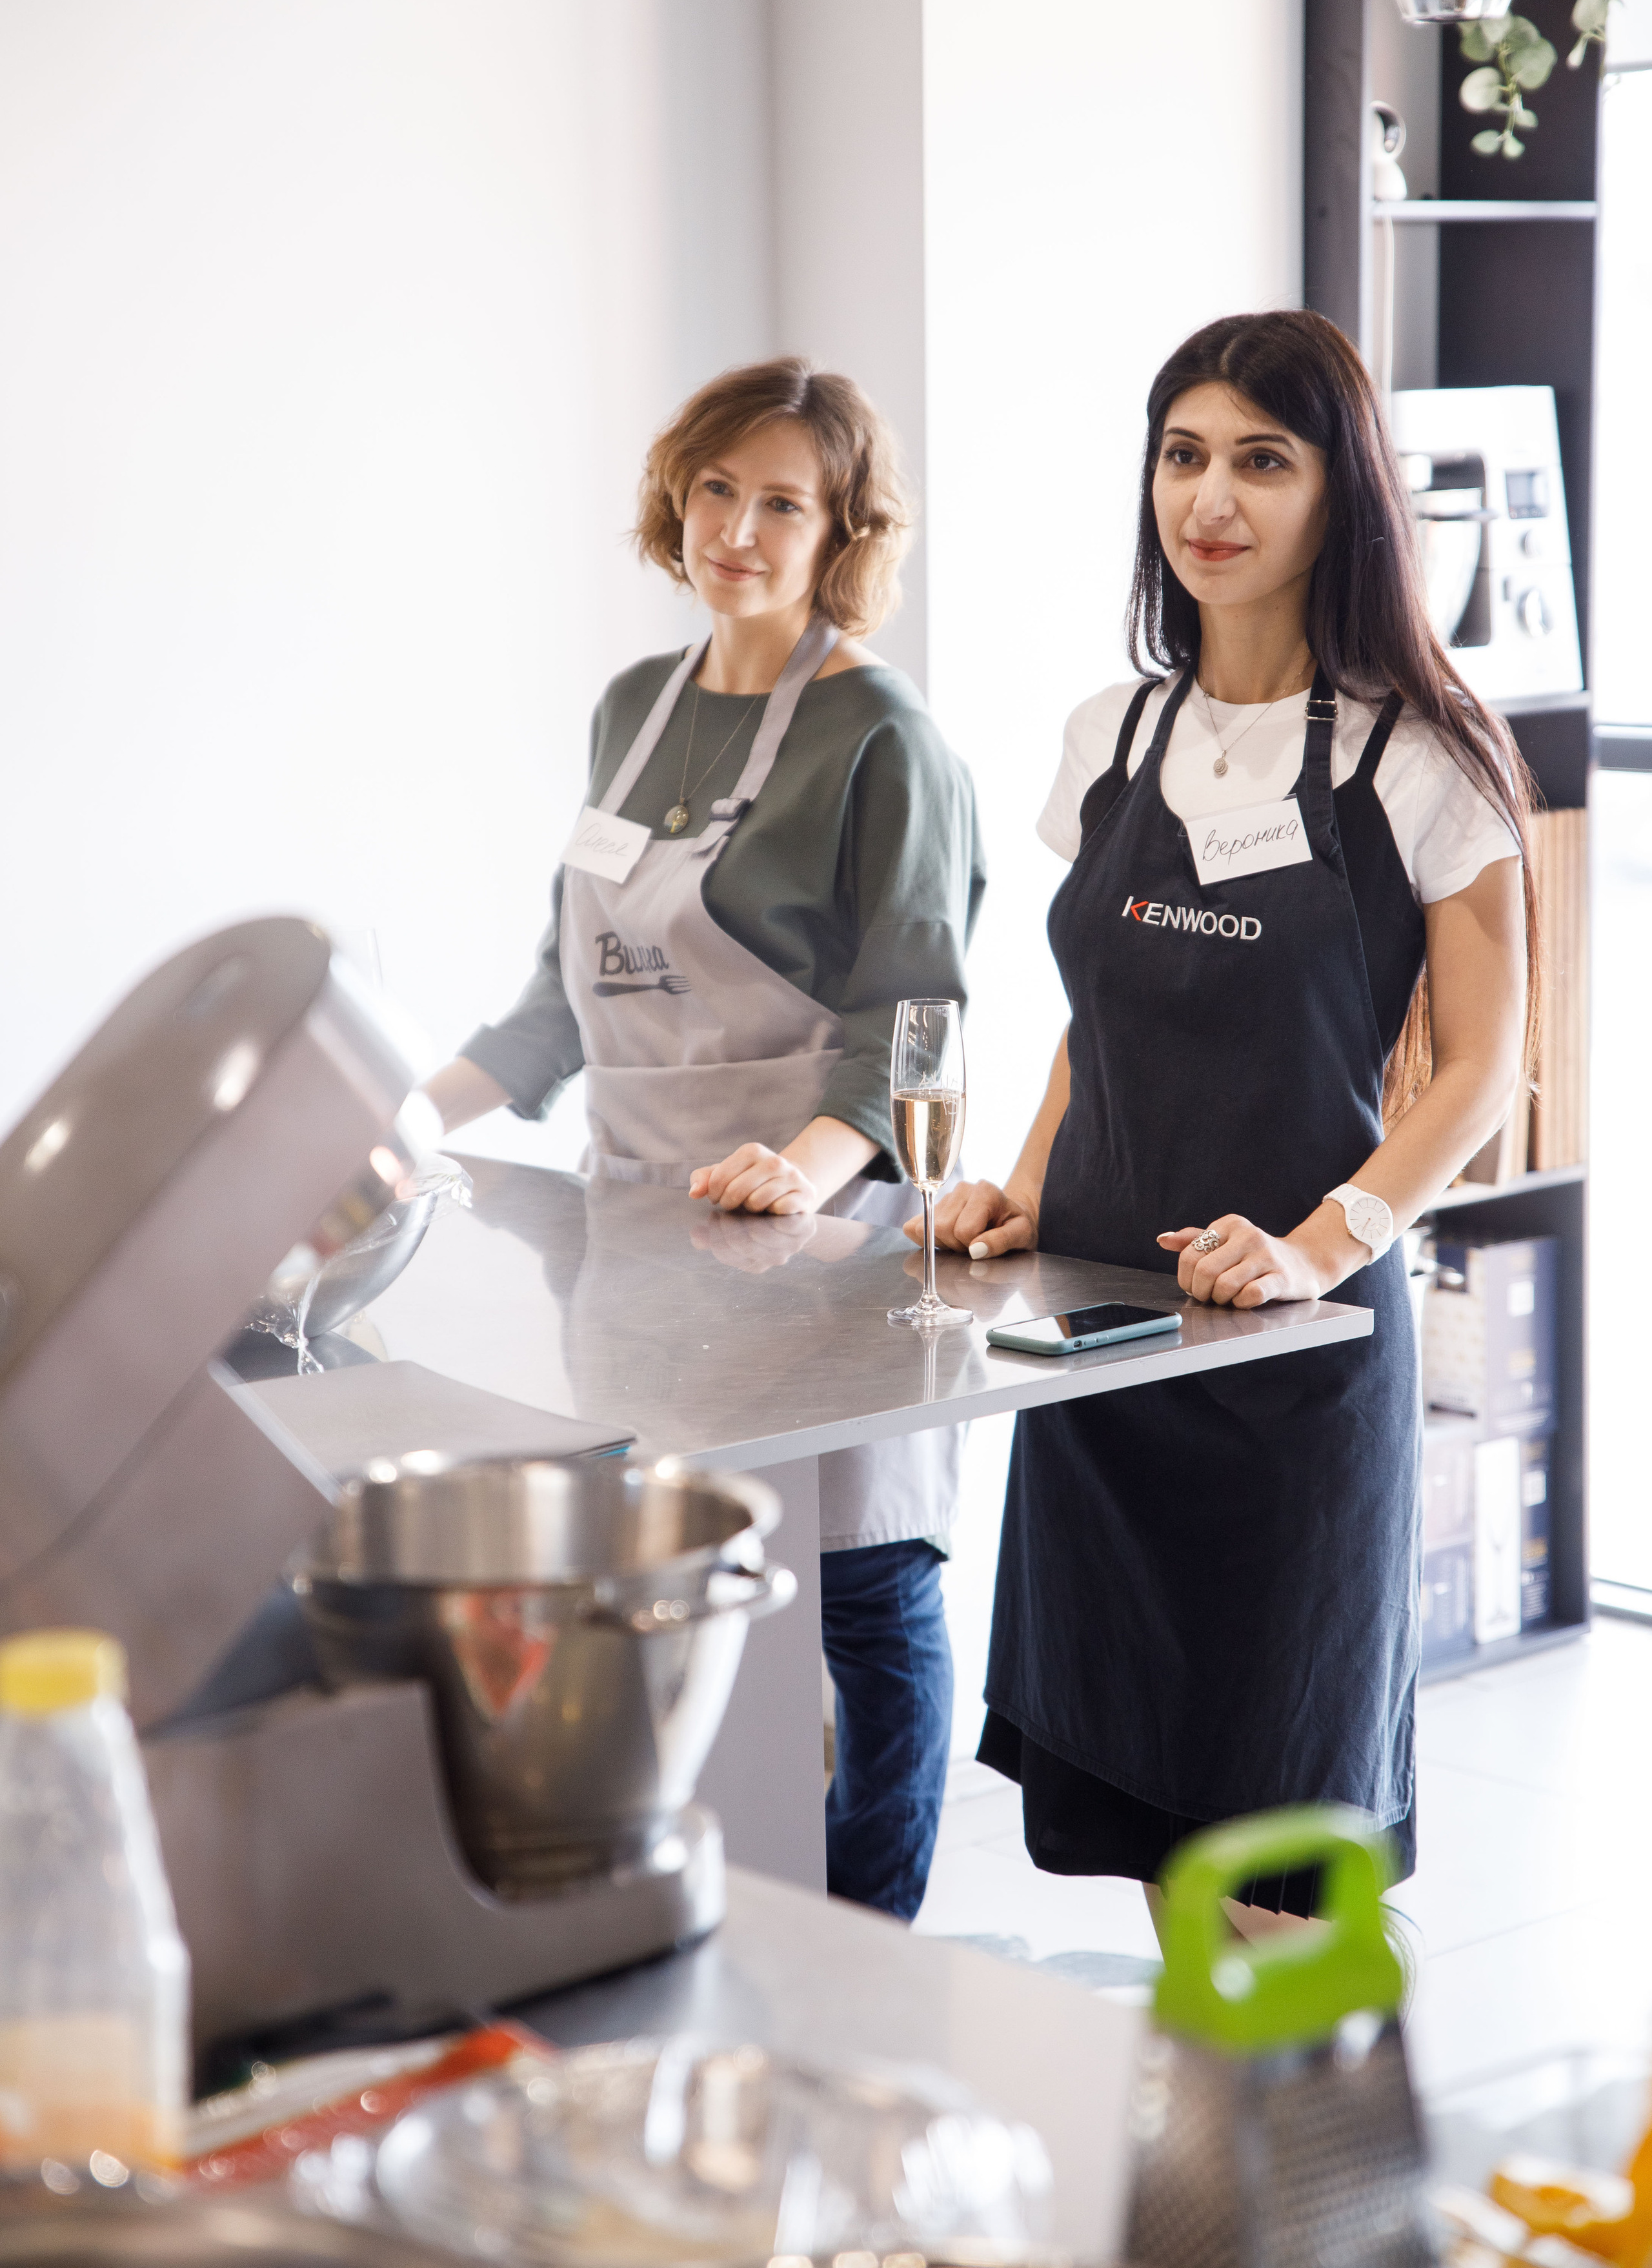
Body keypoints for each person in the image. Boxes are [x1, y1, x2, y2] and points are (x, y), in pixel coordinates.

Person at [927, 309, 1534, 1937]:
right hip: (1100, 1345)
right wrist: (1021, 1184)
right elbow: (1094, 1019)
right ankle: (1230, 2178)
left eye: (1261, 460)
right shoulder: (1107, 736)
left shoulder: (1424, 758)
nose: (1210, 498)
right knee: (1157, 1846)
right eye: (1182, 456)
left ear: (1343, 496)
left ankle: (1339, 2181)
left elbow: (1481, 1064)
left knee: (1284, 1862)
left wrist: (1324, 1247)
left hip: (1292, 1371)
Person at [423, 356, 985, 1923]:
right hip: (634, 1247)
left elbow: (913, 1028)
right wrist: (399, 1120)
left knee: (865, 1594)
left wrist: (791, 1176)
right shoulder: (631, 707)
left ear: (841, 530)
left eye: (783, 502)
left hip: (820, 1240)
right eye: (716, 489)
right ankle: (698, 1909)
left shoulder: (882, 734)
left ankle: (877, 1924)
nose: (736, 527)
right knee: (669, 1589)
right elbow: (560, 1002)